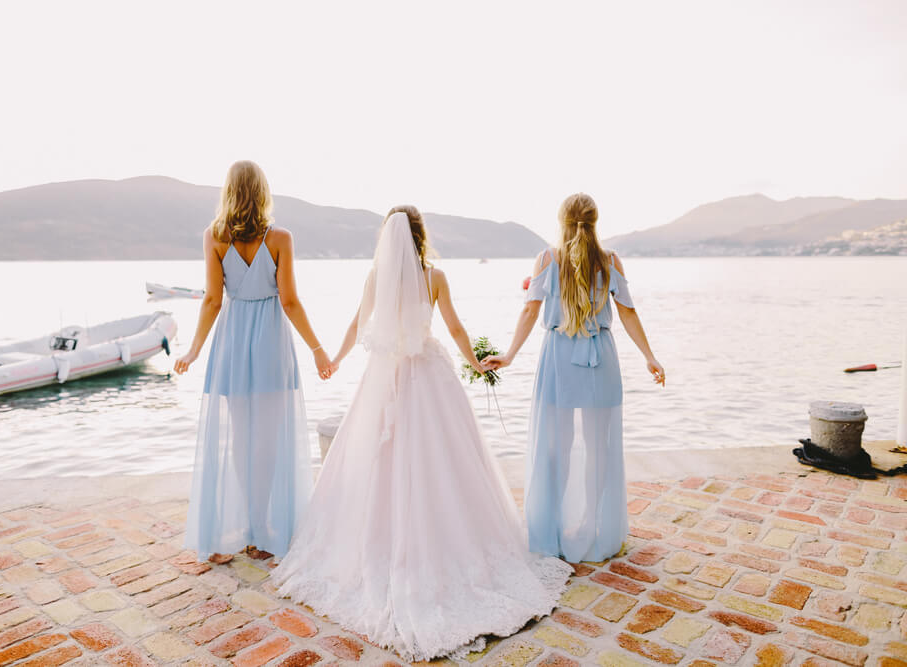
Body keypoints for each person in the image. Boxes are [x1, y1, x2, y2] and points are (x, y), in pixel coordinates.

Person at [270, 206, 570, 662]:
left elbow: (356, 325)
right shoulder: (435, 278)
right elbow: (453, 327)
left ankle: (383, 551)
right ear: (419, 237)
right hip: (430, 377)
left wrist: (332, 358)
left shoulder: (375, 279)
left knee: (380, 464)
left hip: (384, 379)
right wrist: (476, 364)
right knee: (444, 463)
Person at [485, 193, 665, 563]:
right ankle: (589, 526)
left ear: (561, 220)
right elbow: (628, 313)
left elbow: (529, 312)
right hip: (601, 357)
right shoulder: (610, 259)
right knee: (600, 449)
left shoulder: (547, 259)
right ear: (595, 221)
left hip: (559, 357)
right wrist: (650, 357)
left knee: (556, 447)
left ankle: (553, 528)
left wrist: (509, 355)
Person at [174, 160, 333, 563]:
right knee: (268, 444)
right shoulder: (279, 237)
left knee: (241, 443)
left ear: (228, 191)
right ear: (263, 191)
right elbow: (290, 300)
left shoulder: (214, 236)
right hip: (270, 344)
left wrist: (194, 350)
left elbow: (212, 300)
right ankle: (262, 533)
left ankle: (247, 526)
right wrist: (317, 348)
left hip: (231, 340)